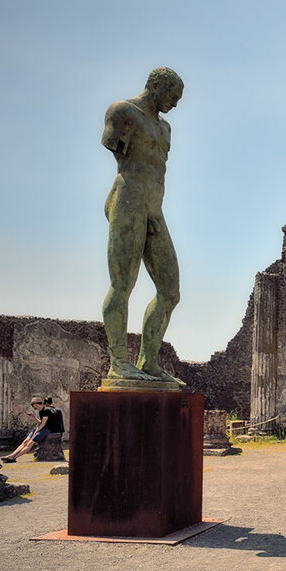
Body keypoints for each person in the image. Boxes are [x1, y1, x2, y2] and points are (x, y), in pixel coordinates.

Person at [101, 67, 186, 386]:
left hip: (154, 208)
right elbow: (114, 147)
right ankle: (118, 362)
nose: (175, 104)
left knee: (170, 290)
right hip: (128, 199)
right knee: (123, 282)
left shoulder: (165, 129)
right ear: (156, 87)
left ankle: (148, 362)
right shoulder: (123, 112)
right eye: (173, 96)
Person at [1, 398, 53, 463]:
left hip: (45, 429)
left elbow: (43, 424)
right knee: (25, 441)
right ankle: (12, 455)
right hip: (39, 427)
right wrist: (33, 417)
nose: (33, 407)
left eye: (32, 405)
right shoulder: (40, 411)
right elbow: (40, 422)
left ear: (36, 404)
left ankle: (14, 458)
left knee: (30, 443)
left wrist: (36, 432)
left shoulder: (46, 411)